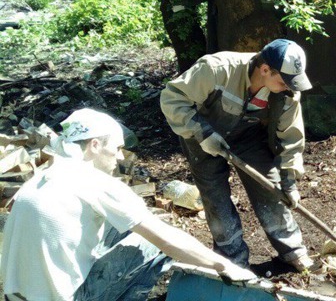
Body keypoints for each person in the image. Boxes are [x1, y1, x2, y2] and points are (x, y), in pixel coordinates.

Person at [0, 108, 255, 301]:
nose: (121, 157)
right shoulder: (94, 182)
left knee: (123, 226)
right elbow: (165, 238)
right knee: (153, 242)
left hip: (17, 295)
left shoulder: (44, 176)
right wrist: (225, 266)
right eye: (118, 148)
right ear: (95, 145)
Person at [160, 38, 314, 272]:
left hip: (247, 135)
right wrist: (203, 133)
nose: (289, 87)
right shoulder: (216, 69)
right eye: (284, 82)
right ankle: (232, 260)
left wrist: (289, 180)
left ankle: (292, 250)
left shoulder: (287, 94)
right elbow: (172, 98)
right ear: (264, 70)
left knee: (271, 189)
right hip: (201, 134)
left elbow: (290, 137)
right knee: (216, 197)